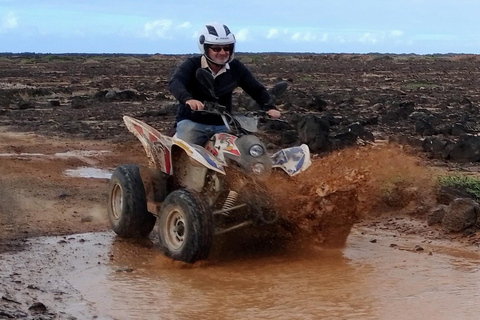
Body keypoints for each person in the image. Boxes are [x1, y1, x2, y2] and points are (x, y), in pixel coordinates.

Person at [168, 22, 281, 146]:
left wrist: (269, 107)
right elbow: (176, 82)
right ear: (205, 48)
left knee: (246, 150)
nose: (222, 52)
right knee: (185, 150)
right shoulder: (192, 64)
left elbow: (256, 89)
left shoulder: (235, 67)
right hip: (192, 122)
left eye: (226, 48)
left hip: (223, 124)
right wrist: (188, 99)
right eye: (216, 48)